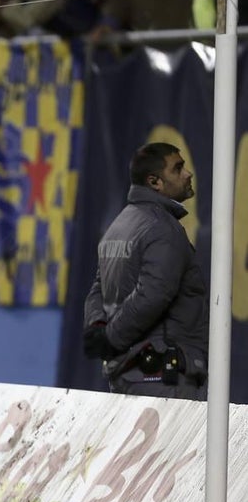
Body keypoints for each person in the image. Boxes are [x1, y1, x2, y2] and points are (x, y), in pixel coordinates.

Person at [83, 143, 209, 400]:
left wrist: (98, 329)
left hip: (127, 375)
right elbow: (154, 292)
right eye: (178, 168)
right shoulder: (162, 228)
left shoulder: (119, 225)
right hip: (163, 378)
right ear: (155, 182)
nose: (188, 174)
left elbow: (98, 288)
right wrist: (111, 337)